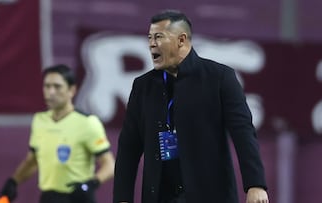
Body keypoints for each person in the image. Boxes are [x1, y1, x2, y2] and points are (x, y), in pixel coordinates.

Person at [113, 10, 269, 203]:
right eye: (149, 38)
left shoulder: (219, 78)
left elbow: (243, 133)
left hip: (210, 194)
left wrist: (255, 184)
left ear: (181, 40)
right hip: (160, 195)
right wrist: (122, 198)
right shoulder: (143, 86)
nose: (151, 44)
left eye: (158, 37)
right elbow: (129, 147)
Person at [0, 64, 115, 203]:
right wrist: (14, 182)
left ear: (71, 90)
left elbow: (110, 165)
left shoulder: (88, 123)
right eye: (47, 86)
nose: (51, 92)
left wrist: (91, 184)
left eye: (57, 86)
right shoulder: (40, 121)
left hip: (78, 198)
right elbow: (33, 160)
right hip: (49, 198)